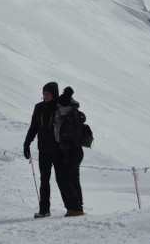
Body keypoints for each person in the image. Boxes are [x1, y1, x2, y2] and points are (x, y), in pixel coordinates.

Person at [23, 81, 66, 218]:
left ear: (54, 94)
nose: (45, 95)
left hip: (58, 150)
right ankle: (44, 210)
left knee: (62, 179)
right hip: (43, 150)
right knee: (44, 181)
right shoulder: (39, 107)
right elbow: (34, 127)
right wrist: (27, 143)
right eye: (44, 93)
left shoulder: (60, 107)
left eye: (48, 93)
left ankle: (72, 208)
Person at [55, 86, 85, 216]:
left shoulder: (70, 116)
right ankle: (77, 207)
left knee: (63, 179)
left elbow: (72, 135)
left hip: (73, 151)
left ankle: (75, 207)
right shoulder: (72, 114)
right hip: (73, 151)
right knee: (73, 179)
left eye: (59, 104)